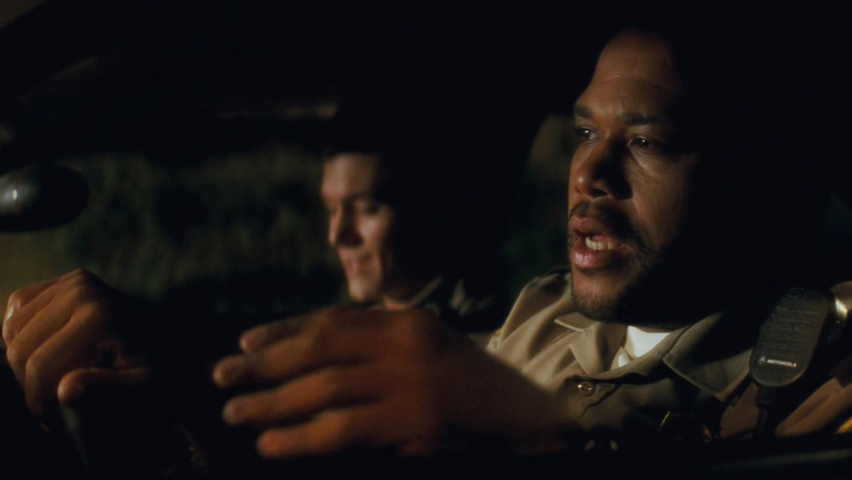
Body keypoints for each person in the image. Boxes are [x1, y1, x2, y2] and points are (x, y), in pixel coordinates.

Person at [3, 21, 850, 471]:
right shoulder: (544, 314)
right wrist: (189, 378)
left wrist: (540, 448)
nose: (588, 174)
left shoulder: (817, 377)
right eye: (585, 131)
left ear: (758, 182)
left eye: (648, 141)